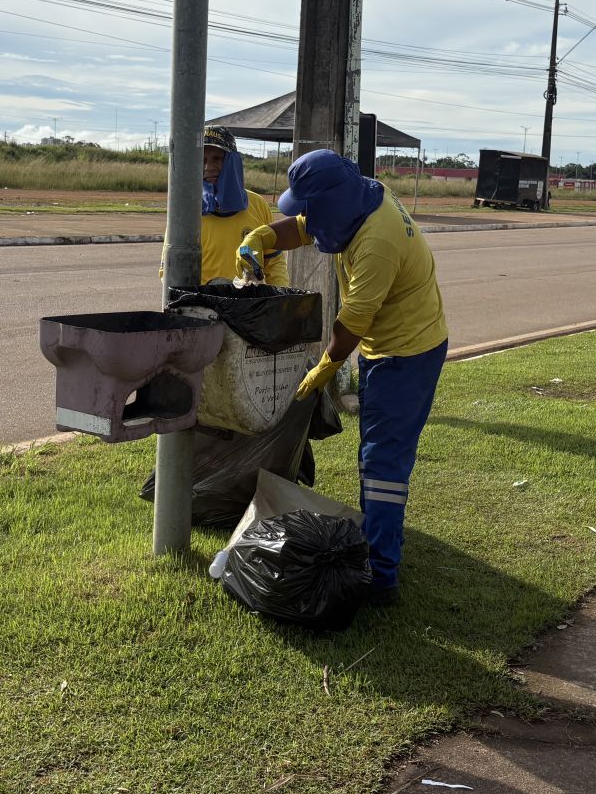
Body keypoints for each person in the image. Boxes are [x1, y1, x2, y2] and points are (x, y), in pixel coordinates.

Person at [236, 149, 448, 605]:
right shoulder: (358, 200)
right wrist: (261, 237)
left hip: (407, 353)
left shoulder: (378, 241)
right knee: (376, 454)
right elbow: (302, 226)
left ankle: (381, 577)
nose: (308, 217)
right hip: (385, 347)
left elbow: (352, 322)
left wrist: (326, 367)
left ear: (332, 203)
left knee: (382, 462)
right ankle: (378, 544)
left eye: (312, 207)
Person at [182, 126, 287, 285]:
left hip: (248, 299)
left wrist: (283, 295)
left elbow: (274, 262)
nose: (208, 167)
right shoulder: (186, 210)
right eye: (202, 160)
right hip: (202, 299)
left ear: (232, 161)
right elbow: (171, 270)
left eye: (217, 159)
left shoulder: (258, 205)